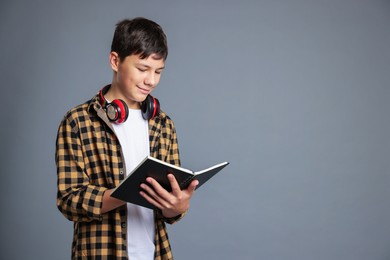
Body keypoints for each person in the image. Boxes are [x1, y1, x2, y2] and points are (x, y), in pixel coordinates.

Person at [56, 17, 198, 259]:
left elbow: (169, 210)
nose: (151, 80)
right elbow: (69, 199)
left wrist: (178, 207)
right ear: (115, 61)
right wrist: (123, 193)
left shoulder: (163, 125)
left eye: (158, 71)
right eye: (142, 69)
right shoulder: (78, 121)